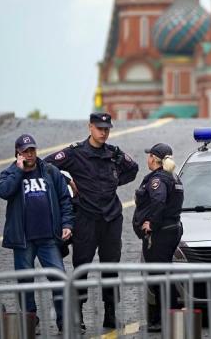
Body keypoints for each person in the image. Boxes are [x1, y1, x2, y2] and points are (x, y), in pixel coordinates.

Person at [44, 112, 138, 329]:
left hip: (111, 218)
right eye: (99, 128)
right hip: (85, 217)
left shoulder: (114, 153)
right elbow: (47, 165)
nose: (103, 132)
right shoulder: (75, 153)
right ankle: (78, 317)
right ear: (90, 128)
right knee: (81, 267)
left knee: (111, 266)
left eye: (106, 129)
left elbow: (132, 169)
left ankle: (110, 314)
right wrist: (68, 181)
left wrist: (114, 181)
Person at [0, 134, 74, 333]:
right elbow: (3, 191)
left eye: (32, 150)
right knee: (25, 283)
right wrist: (18, 171)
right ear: (18, 154)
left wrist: (67, 224)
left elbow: (65, 199)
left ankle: (64, 321)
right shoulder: (9, 173)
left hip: (48, 238)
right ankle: (31, 320)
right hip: (23, 240)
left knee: (59, 279)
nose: (30, 154)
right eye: (25, 151)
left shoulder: (50, 171)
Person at [132, 143, 184, 332]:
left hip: (160, 234)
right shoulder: (173, 176)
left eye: (149, 156)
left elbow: (158, 201)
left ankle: (164, 319)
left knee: (158, 276)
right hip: (172, 229)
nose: (148, 159)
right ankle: (169, 316)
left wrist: (150, 223)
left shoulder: (159, 179)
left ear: (154, 158)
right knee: (165, 274)